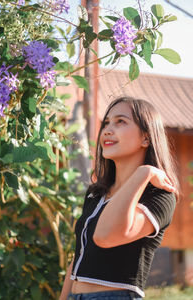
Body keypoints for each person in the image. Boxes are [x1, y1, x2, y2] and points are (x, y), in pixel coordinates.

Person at [60, 97, 179, 300]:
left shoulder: (160, 195)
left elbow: (105, 236)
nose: (107, 130)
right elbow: (79, 255)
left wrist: (144, 173)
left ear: (146, 138)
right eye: (106, 123)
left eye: (120, 122)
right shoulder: (95, 193)